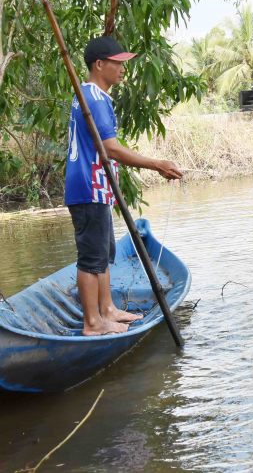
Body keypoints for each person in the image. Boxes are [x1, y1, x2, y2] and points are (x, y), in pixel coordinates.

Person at [65, 36, 183, 336]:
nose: (123, 68)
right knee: (91, 257)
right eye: (118, 63)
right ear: (99, 64)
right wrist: (157, 164)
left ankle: (107, 310)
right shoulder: (92, 96)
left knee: (103, 253)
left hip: (97, 187)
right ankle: (93, 323)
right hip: (88, 186)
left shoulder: (95, 95)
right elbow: (111, 149)